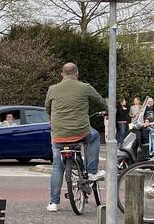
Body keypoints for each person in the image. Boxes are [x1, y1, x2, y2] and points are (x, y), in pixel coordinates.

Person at [44, 63, 107, 212]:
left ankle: (53, 203)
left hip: (58, 135)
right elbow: (101, 102)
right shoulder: (85, 87)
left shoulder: (52, 89)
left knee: (57, 166)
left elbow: (47, 109)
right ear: (77, 74)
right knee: (95, 136)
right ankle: (92, 172)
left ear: (62, 74)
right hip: (81, 133)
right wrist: (108, 109)